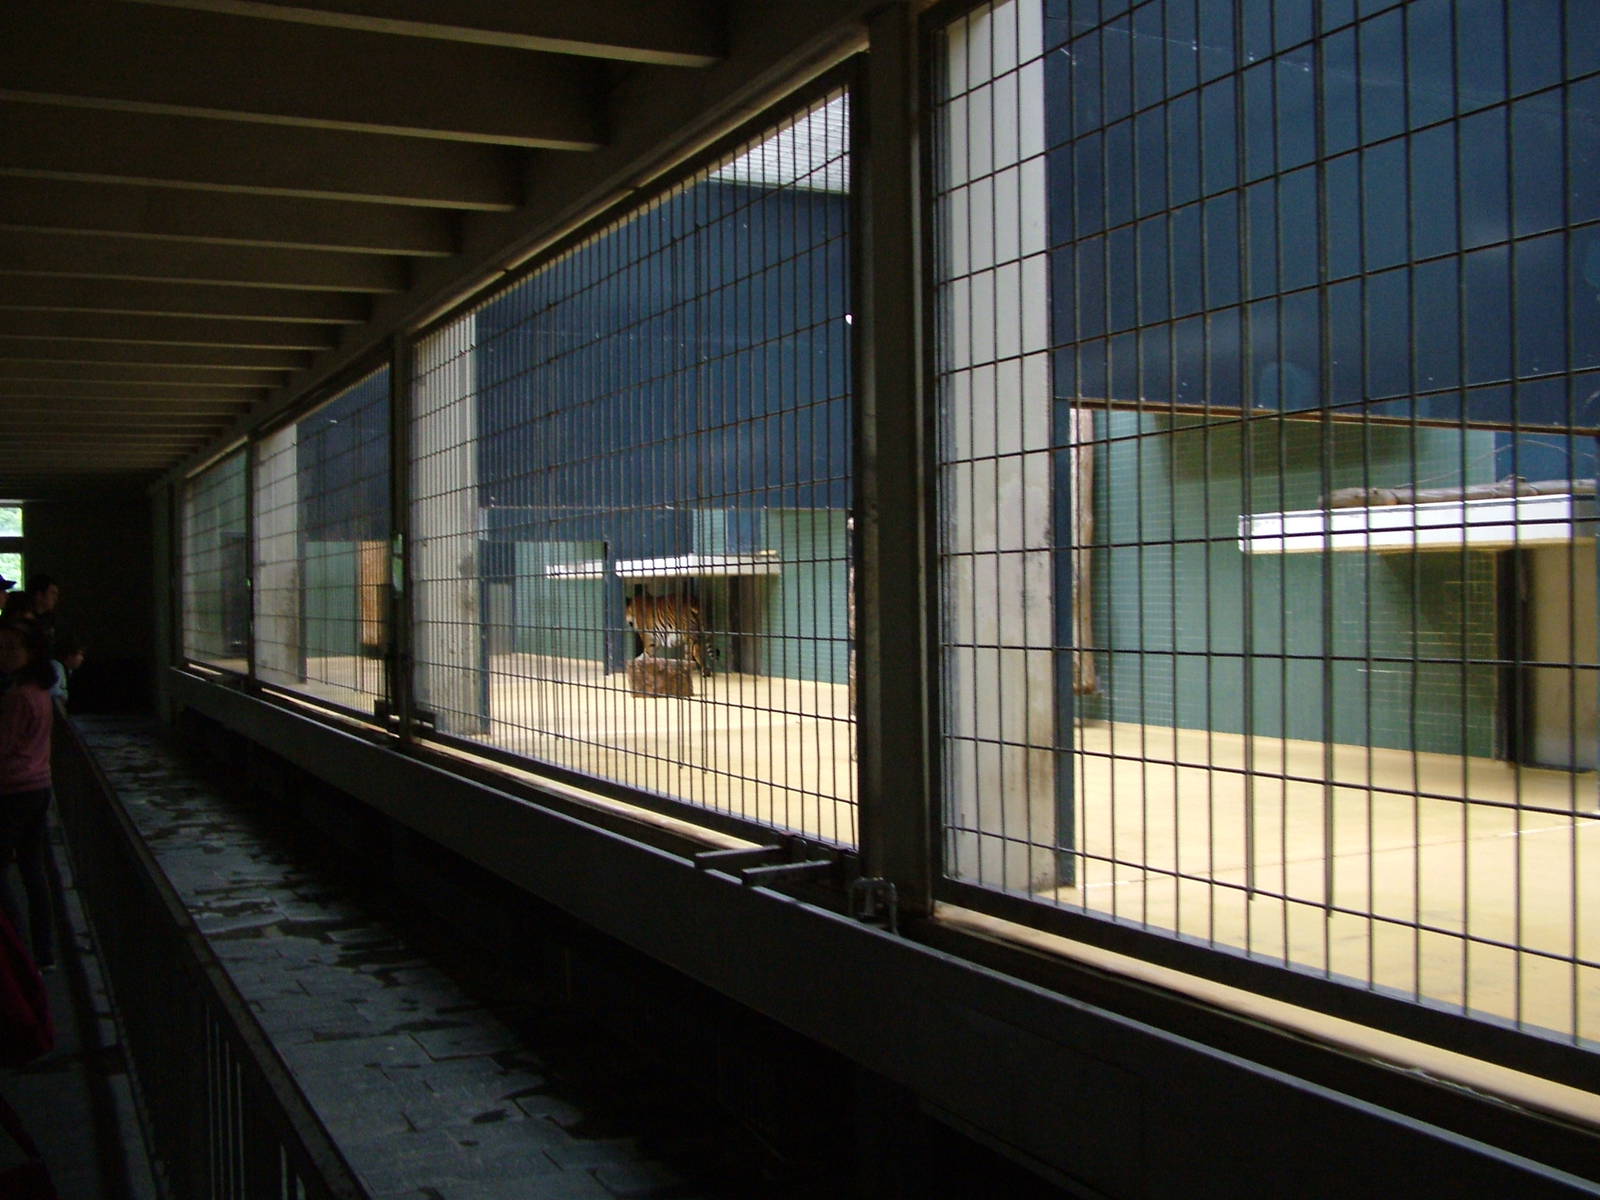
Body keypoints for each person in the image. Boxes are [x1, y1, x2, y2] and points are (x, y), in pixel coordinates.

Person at [0, 620, 57, 970]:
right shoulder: (40, 691)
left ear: (30, 654)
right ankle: (44, 953)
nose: (3, 655)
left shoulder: (18, 696)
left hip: (12, 790)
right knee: (33, 870)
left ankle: (18, 952)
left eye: (11, 648)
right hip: (39, 785)